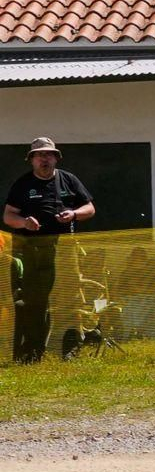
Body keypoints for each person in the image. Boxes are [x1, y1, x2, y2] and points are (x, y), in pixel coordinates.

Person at [2, 138, 94, 363]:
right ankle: (34, 351)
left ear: (56, 158)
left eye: (49, 154)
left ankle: (70, 348)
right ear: (31, 160)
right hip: (34, 250)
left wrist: (73, 214)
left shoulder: (69, 179)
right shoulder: (22, 184)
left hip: (65, 248)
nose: (44, 158)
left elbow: (90, 208)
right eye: (39, 155)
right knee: (36, 301)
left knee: (70, 298)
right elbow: (8, 216)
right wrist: (24, 223)